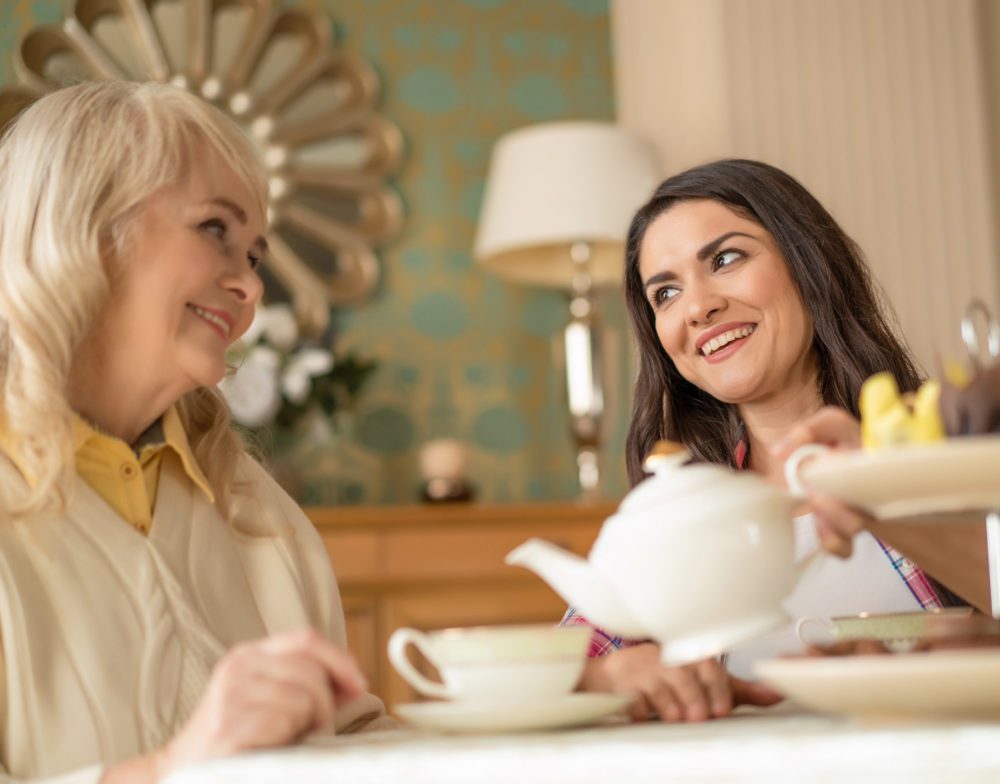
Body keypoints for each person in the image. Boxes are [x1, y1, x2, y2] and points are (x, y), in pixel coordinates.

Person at [0, 81, 390, 783]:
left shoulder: (257, 510)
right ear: (82, 226)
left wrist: (558, 709)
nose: (250, 287)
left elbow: (350, 741)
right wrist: (175, 769)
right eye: (216, 230)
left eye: (255, 255)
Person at [565, 158, 972, 723]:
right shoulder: (680, 511)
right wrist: (607, 675)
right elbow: (554, 670)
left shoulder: (960, 449)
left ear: (808, 264)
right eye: (665, 293)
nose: (697, 307)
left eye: (725, 259)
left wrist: (886, 493)